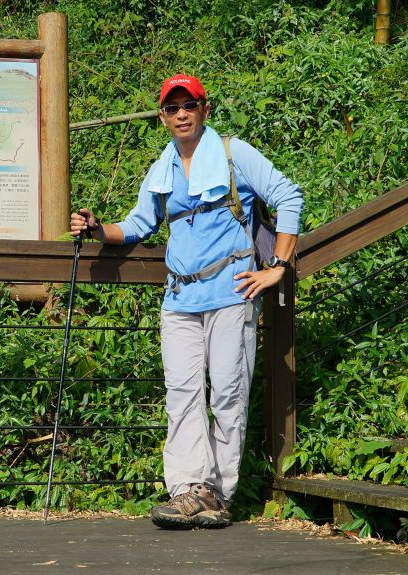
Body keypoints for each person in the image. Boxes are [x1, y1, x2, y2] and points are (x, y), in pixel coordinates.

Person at [70, 73, 303, 529]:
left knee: (229, 393)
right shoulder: (164, 169)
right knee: (182, 395)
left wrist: (277, 265)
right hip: (179, 298)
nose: (181, 114)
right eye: (172, 107)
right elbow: (138, 225)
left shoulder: (236, 154)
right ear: (162, 117)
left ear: (204, 110)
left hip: (232, 293)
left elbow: (288, 195)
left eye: (189, 105)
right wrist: (98, 230)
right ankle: (187, 490)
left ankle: (216, 493)